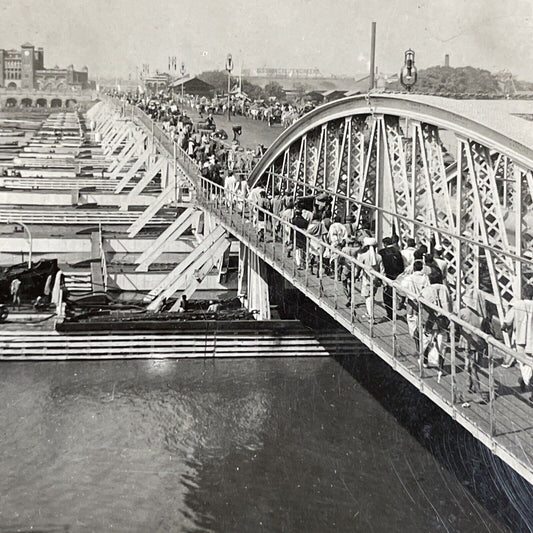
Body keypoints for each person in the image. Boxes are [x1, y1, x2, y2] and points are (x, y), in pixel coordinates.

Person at [502, 284, 533, 402]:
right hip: (532, 340)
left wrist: (505, 327)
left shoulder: (517, 304)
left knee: (523, 363)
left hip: (520, 340)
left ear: (523, 294)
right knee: (530, 363)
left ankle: (526, 381)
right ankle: (527, 381)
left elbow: (507, 321)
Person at [420, 270, 451, 381]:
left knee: (426, 341)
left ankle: (424, 361)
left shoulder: (425, 290)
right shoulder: (445, 288)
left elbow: (422, 305)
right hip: (443, 320)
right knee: (441, 344)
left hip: (430, 320)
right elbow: (449, 303)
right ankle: (440, 368)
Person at [459, 291, 487, 401]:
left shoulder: (463, 312)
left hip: (468, 342)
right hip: (479, 343)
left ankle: (479, 393)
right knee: (473, 365)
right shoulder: (482, 315)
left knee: (471, 367)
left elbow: (453, 324)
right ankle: (469, 384)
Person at [399, 260, 429, 349]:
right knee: (422, 324)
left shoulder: (409, 278)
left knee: (412, 322)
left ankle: (416, 341)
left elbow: (401, 288)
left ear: (414, 268)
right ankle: (421, 342)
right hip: (423, 304)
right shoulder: (425, 278)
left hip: (412, 304)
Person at [357, 237, 384, 319]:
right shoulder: (379, 257)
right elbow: (382, 269)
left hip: (367, 278)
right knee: (371, 296)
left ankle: (370, 315)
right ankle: (370, 313)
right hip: (375, 279)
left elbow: (358, 267)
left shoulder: (363, 256)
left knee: (368, 297)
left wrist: (356, 275)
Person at [378, 236, 405, 320]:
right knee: (397, 293)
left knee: (387, 296)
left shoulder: (382, 252)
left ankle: (390, 314)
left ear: (385, 244)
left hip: (388, 275)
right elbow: (402, 264)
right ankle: (399, 304)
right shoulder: (398, 251)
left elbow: (381, 266)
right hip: (398, 275)